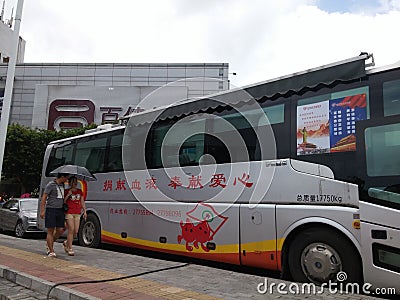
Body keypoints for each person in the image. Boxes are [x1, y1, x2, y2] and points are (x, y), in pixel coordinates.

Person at [40, 173, 69, 257]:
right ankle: (51, 250)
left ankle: (49, 243)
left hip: (60, 210)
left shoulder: (63, 185)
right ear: (62, 177)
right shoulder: (51, 185)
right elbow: (44, 197)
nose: (67, 180)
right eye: (66, 178)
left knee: (60, 229)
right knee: (50, 230)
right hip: (51, 209)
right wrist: (42, 210)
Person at [63, 176, 87, 256]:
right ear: (70, 183)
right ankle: (70, 248)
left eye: (76, 182)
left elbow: (82, 201)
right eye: (73, 182)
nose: (75, 183)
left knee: (76, 231)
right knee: (71, 229)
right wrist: (68, 195)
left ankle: (66, 242)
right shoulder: (66, 191)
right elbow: (64, 201)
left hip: (77, 212)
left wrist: (85, 211)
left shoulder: (79, 191)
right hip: (69, 212)